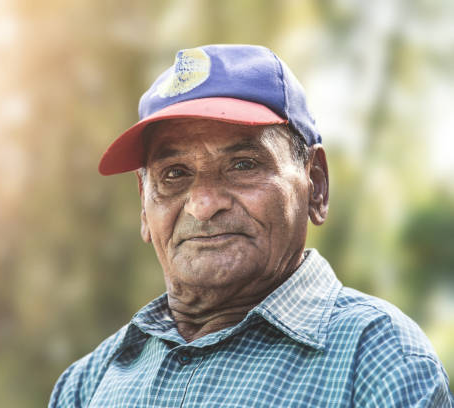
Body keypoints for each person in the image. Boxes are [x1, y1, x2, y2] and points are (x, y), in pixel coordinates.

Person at [49, 44, 453, 407]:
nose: (203, 205)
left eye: (243, 165)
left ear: (315, 184)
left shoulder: (380, 360)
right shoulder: (86, 384)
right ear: (143, 204)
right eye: (174, 174)